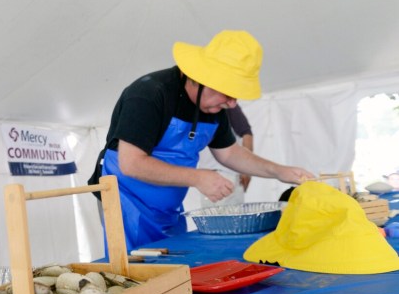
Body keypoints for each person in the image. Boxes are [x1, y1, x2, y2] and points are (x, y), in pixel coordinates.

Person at [89, 30, 314, 252]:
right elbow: (132, 163)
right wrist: (198, 177)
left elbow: (229, 153)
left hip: (168, 210)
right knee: (137, 275)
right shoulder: (149, 94)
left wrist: (279, 171)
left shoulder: (214, 108)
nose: (233, 104)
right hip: (126, 205)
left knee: (174, 270)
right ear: (202, 78)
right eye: (228, 93)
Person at [227, 105, 254, 191]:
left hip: (228, 173)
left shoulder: (228, 105)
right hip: (210, 173)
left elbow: (247, 134)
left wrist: (246, 168)